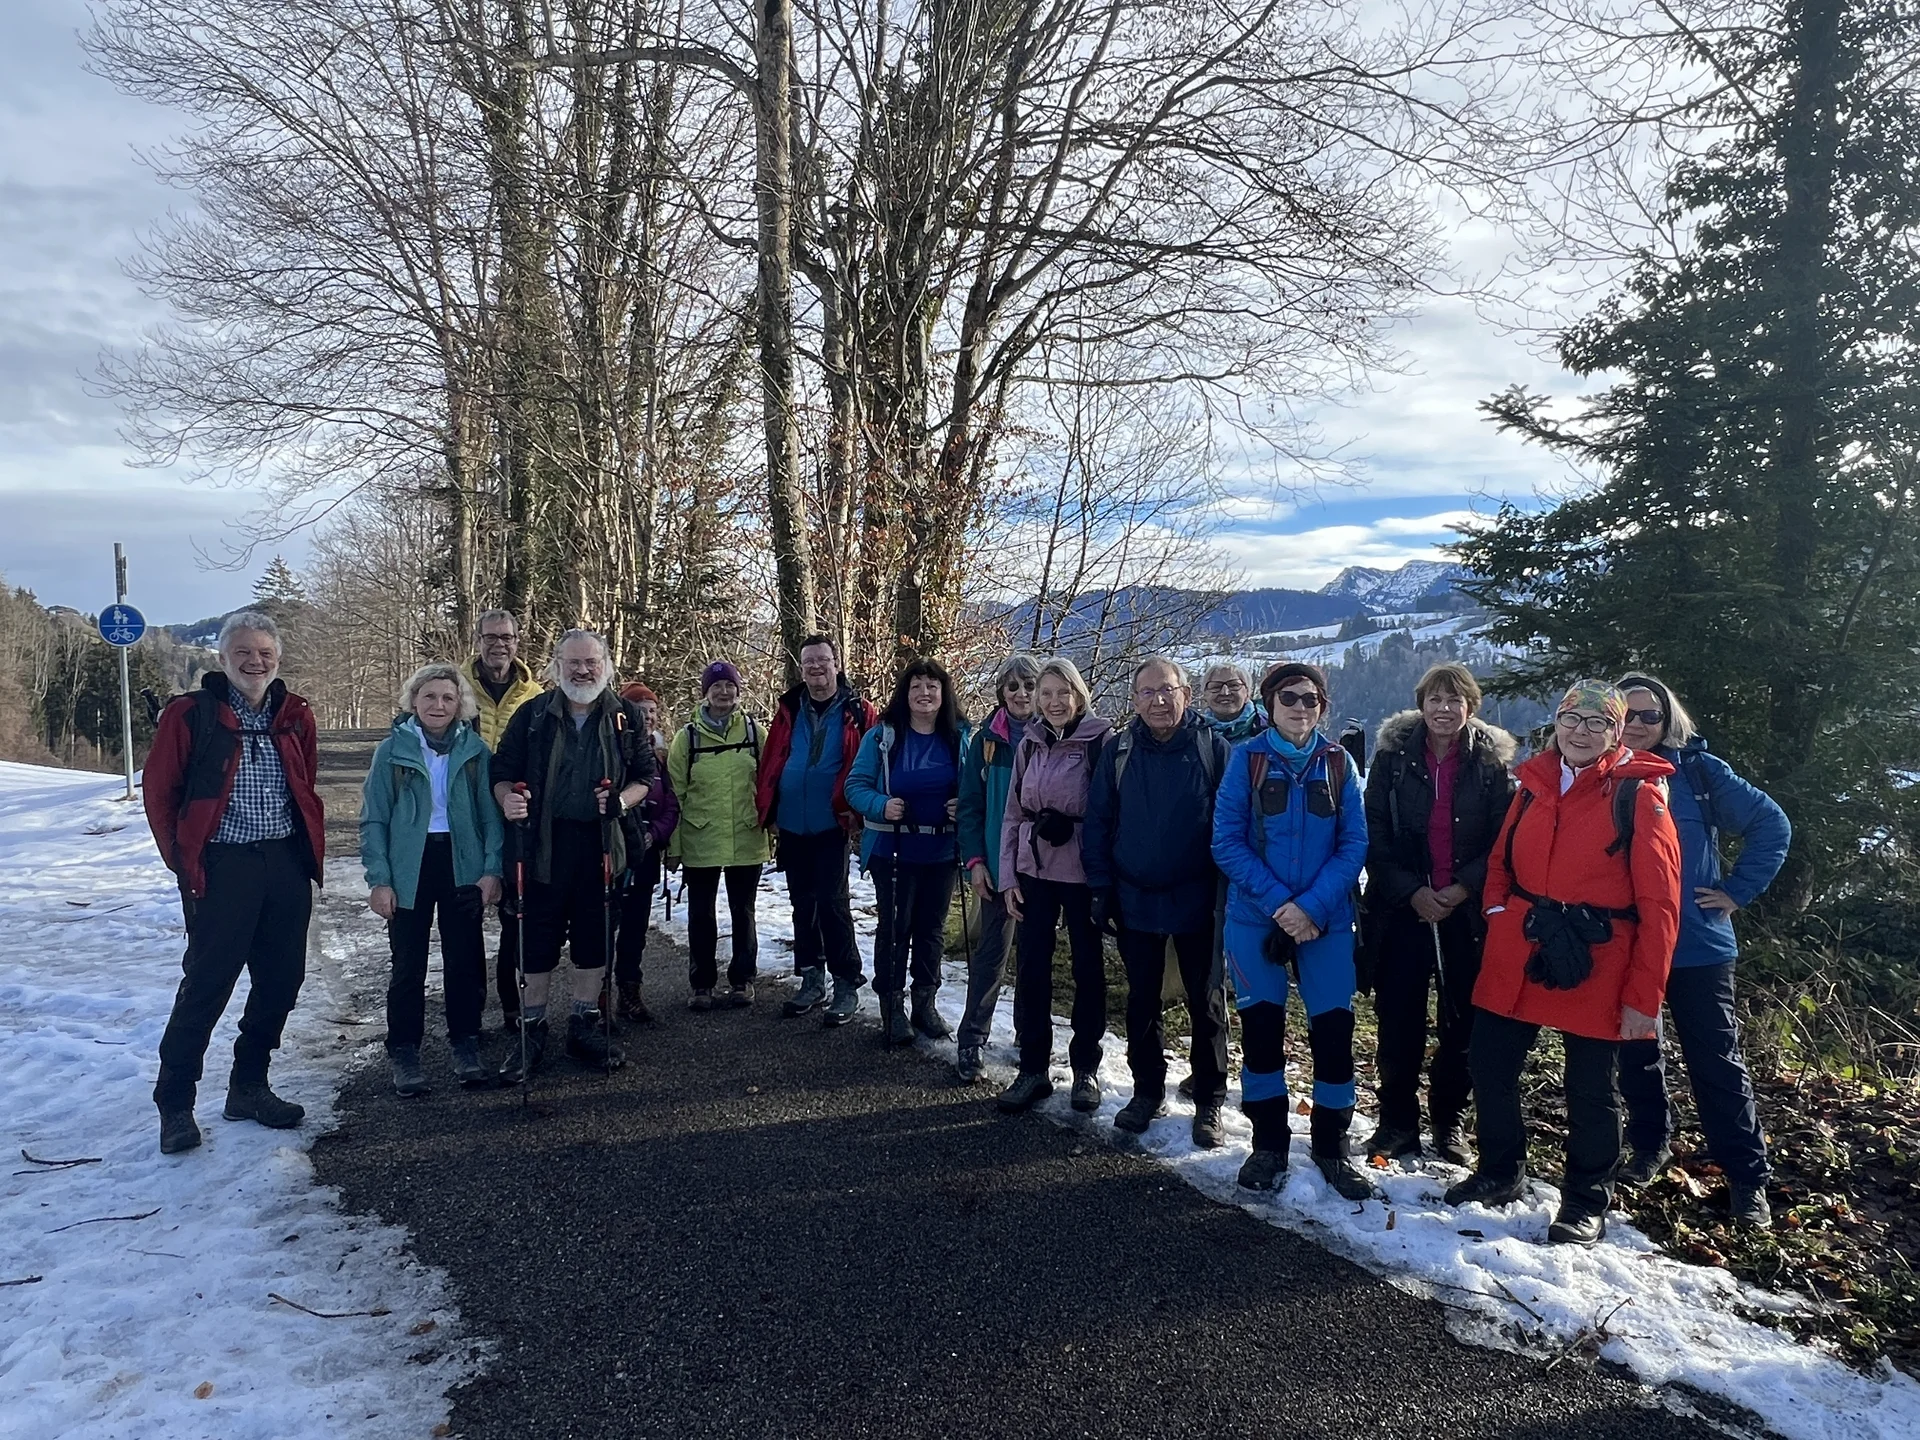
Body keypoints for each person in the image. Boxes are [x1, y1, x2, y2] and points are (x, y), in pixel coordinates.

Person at [1444, 680, 1682, 1246]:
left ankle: (1584, 1200)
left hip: (1600, 957)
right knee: (1490, 1064)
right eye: (1571, 719)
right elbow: (1500, 860)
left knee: (1591, 1086)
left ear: (1616, 731)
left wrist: (1642, 1000)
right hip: (1521, 944)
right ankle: (1502, 1171)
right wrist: (1500, 911)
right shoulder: (1533, 784)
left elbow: (1661, 907)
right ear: (1557, 722)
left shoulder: (1639, 798)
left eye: (1597, 723)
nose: (1580, 732)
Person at [143, 611, 325, 1155]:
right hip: (222, 867)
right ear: (222, 658)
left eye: (265, 653)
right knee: (207, 984)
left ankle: (249, 1085)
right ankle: (174, 1103)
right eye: (243, 652)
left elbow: (305, 780)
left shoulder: (295, 715)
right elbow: (160, 793)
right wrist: (184, 861)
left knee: (282, 980)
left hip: (284, 863)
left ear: (277, 658)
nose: (255, 661)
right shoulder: (190, 715)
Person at [1615, 673, 1789, 1228]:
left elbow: (1770, 824)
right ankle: (1649, 1146)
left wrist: (1736, 892)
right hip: (1628, 944)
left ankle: (1747, 1178)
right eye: (1628, 714)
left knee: (1715, 1061)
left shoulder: (1697, 773)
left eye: (1650, 715)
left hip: (1696, 943)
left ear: (1669, 721)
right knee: (1636, 1051)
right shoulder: (1604, 773)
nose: (1638, 725)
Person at [1212, 661, 1373, 1198]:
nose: (1300, 708)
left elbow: (1354, 845)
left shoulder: (1339, 763)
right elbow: (1226, 842)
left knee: (1333, 1036)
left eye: (1310, 699)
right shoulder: (1248, 761)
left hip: (1324, 922)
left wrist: (1311, 908)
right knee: (1261, 1035)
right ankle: (1268, 1145)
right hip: (1257, 917)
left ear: (1321, 706)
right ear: (1270, 704)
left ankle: (1331, 1146)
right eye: (1289, 698)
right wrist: (1283, 904)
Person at [1360, 663, 1517, 1166]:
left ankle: (1449, 1123)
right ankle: (1397, 1124)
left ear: (1472, 707)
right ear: (1420, 704)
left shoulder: (1490, 765)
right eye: (1435, 699)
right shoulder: (1391, 759)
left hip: (1465, 914)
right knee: (1398, 1020)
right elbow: (1373, 833)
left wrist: (1460, 889)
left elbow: (1502, 840)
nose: (1444, 709)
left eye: (1455, 700)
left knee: (1461, 1023)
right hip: (1401, 910)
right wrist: (1411, 892)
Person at [490, 629, 655, 1080]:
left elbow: (645, 776)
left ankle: (583, 1024)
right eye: (573, 663)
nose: (582, 671)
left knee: (595, 936)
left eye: (591, 662)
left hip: (601, 843)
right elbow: (501, 772)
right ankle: (531, 1031)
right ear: (556, 666)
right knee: (537, 940)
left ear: (606, 665)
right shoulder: (533, 715)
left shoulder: (624, 717)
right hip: (541, 845)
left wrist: (622, 800)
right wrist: (508, 799)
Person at [1083, 657, 1232, 1147]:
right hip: (1134, 896)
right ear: (1134, 700)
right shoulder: (1119, 751)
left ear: (1186, 694)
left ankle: (1209, 1098)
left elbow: (1234, 828)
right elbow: (1099, 821)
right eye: (1147, 693)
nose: (1158, 701)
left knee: (1205, 1000)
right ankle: (1147, 1089)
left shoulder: (1214, 749)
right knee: (1142, 999)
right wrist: (1101, 888)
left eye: (1167, 691)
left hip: (1199, 899)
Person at [360, 663, 504, 1095]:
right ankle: (404, 1051)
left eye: (447, 697)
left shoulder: (476, 751)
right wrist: (379, 879)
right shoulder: (391, 751)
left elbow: (491, 819)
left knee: (464, 962)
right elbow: (374, 819)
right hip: (410, 867)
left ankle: (466, 1044)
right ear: (413, 702)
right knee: (408, 964)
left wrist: (491, 871)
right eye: (429, 697)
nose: (438, 705)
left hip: (461, 864)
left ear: (460, 703)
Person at [994, 658, 1113, 1115]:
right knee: (1032, 971)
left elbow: (1109, 814)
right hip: (1034, 871)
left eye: (1061, 693)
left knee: (1087, 971)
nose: (1053, 702)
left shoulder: (1100, 742)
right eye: (1045, 695)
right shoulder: (1031, 743)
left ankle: (1085, 1069)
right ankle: (1033, 1068)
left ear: (1078, 694)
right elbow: (1012, 815)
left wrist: (1105, 879)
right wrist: (1009, 878)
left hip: (1082, 874)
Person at [755, 634, 877, 1026]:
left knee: (833, 903)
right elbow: (773, 758)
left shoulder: (859, 711)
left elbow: (872, 761)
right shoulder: (789, 707)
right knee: (802, 904)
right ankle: (811, 979)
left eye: (823, 660)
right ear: (801, 667)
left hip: (832, 823)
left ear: (837, 664)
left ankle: (845, 983)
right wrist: (768, 809)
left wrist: (859, 811)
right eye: (809, 662)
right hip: (791, 822)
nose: (816, 668)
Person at [846, 658, 967, 1048]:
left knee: (931, 931)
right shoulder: (883, 738)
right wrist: (882, 805)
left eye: (932, 685)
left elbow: (975, 789)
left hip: (942, 850)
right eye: (916, 686)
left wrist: (962, 804)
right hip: (893, 849)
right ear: (905, 693)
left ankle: (924, 1004)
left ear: (944, 693)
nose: (925, 693)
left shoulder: (959, 737)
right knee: (895, 929)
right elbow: (855, 785)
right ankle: (892, 1006)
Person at [953, 654, 1040, 1081]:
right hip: (995, 864)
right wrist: (975, 862)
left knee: (1034, 956)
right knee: (991, 954)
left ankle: (1028, 1035)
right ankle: (971, 1040)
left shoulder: (1056, 736)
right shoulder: (986, 741)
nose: (1022, 695)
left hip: (1042, 868)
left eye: (1029, 686)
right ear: (1001, 693)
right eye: (1013, 688)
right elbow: (969, 806)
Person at [460, 609, 545, 1031]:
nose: (499, 644)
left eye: (507, 637)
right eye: (490, 636)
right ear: (476, 640)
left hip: (519, 818)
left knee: (516, 915)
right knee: (467, 915)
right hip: (466, 819)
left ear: (517, 641)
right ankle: (471, 1006)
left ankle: (514, 1005)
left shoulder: (536, 696)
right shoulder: (454, 689)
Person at [668, 662, 769, 1011]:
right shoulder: (687, 738)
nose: (724, 693)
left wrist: (773, 828)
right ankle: (701, 985)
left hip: (746, 836)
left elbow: (769, 785)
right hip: (700, 838)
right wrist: (674, 846)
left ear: (739, 691)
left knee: (744, 912)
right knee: (701, 915)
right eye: (717, 687)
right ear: (705, 692)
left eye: (730, 686)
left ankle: (743, 979)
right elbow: (675, 795)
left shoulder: (756, 733)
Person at [611, 683, 679, 1024]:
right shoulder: (611, 749)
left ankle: (629, 991)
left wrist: (655, 835)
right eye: (640, 711)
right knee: (604, 924)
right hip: (611, 852)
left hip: (645, 853)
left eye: (652, 712)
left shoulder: (661, 756)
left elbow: (671, 806)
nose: (647, 717)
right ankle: (595, 995)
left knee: (635, 927)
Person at [1198, 661, 1267, 743]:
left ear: (1248, 692)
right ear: (1204, 694)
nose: (1225, 692)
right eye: (1215, 686)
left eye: (1234, 685)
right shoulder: (1194, 733)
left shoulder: (1269, 729)